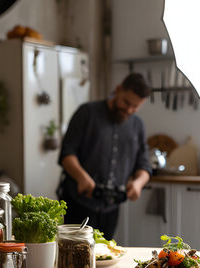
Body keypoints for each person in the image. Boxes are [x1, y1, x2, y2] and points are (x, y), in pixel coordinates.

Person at [57, 73, 152, 239]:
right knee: (74, 258)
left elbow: (144, 164)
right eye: (127, 103)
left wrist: (138, 183)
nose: (129, 110)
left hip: (111, 209)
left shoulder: (138, 125)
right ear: (118, 90)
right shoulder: (87, 113)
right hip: (79, 203)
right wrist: (82, 178)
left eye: (135, 107)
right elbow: (67, 154)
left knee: (106, 257)